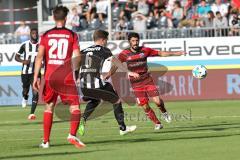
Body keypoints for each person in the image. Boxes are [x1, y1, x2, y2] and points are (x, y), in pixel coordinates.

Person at [33, 6, 85, 149]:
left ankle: (45, 141)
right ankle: (72, 134)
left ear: (54, 18)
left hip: (50, 76)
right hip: (65, 76)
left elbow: (39, 57)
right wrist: (77, 73)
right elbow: (77, 57)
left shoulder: (45, 35)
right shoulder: (72, 35)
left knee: (49, 107)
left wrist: (35, 77)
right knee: (75, 107)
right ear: (66, 18)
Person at [115, 32, 185, 130]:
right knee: (145, 106)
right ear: (129, 42)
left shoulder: (145, 50)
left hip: (147, 80)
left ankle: (164, 112)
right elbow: (116, 63)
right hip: (136, 84)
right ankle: (157, 123)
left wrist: (176, 53)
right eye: (133, 41)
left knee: (157, 101)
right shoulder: (124, 54)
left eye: (137, 41)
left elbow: (160, 53)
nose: (135, 43)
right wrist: (109, 74)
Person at [77, 30, 138, 136]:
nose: (106, 43)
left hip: (83, 85)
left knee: (95, 101)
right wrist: (129, 72)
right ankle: (122, 128)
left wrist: (77, 77)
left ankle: (83, 119)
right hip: (95, 83)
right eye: (106, 40)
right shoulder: (104, 50)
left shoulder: (84, 51)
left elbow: (76, 65)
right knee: (116, 100)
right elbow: (116, 61)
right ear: (102, 40)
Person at [15, 28, 40, 120]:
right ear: (30, 35)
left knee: (36, 93)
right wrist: (23, 61)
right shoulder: (24, 45)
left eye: (36, 33)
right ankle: (25, 97)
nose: (35, 35)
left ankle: (32, 113)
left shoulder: (41, 46)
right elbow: (16, 57)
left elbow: (44, 58)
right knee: (25, 90)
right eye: (33, 33)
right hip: (25, 72)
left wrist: (42, 64)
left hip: (36, 73)